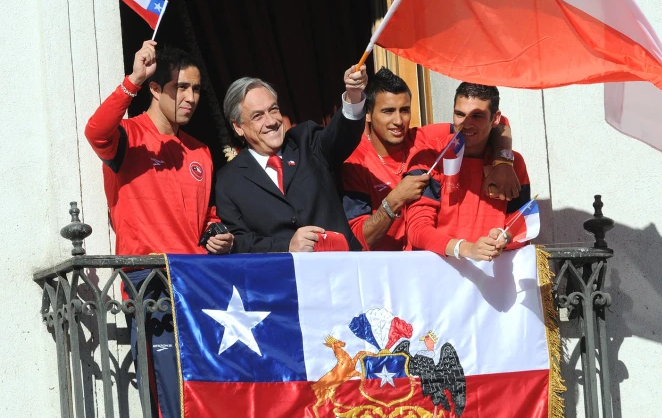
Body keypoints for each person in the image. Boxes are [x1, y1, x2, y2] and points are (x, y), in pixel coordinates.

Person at [85, 40, 232, 418]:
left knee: (207, 397)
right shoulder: (129, 136)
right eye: (180, 88)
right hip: (151, 285)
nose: (190, 97)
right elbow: (96, 132)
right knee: (169, 401)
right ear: (155, 88)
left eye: (196, 89)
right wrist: (133, 78)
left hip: (198, 284)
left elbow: (204, 216)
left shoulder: (200, 152)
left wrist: (215, 232)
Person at [341, 68, 520, 251]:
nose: (398, 120)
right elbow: (358, 240)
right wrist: (395, 199)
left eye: (404, 110)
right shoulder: (355, 162)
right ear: (368, 114)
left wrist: (503, 161)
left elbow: (495, 124)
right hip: (382, 269)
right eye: (388, 111)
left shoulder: (422, 138)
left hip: (424, 262)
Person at [215, 64, 368, 252]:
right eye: (258, 116)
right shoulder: (228, 181)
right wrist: (287, 246)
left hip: (343, 267)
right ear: (238, 127)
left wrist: (353, 96)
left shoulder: (307, 140)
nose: (271, 121)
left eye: (273, 109)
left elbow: (342, 136)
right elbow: (238, 242)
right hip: (285, 277)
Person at [405, 83, 531, 262]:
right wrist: (465, 248)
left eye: (477, 116)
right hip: (436, 272)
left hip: (493, 276)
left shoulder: (513, 164)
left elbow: (523, 225)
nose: (466, 123)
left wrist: (505, 237)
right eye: (460, 114)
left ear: (495, 119)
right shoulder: (429, 156)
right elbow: (418, 230)